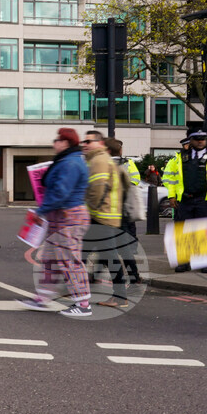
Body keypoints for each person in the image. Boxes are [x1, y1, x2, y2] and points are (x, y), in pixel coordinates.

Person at [18, 128, 91, 316]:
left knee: (69, 260)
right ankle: (42, 298)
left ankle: (83, 304)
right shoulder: (68, 161)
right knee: (49, 259)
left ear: (66, 142)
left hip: (69, 217)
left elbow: (60, 192)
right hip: (61, 217)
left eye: (57, 140)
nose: (54, 143)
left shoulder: (70, 163)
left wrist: (41, 211)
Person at [162, 129, 207, 272]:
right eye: (197, 139)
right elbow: (173, 180)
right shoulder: (180, 157)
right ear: (190, 140)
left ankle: (204, 262)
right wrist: (172, 196)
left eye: (203, 139)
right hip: (185, 199)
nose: (200, 142)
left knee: (204, 230)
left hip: (204, 199)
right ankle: (184, 261)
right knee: (183, 230)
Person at [81, 130, 126, 306]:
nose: (84, 144)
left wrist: (87, 210)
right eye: (83, 142)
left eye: (88, 141)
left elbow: (98, 189)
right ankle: (76, 289)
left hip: (101, 216)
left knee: (109, 257)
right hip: (102, 215)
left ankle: (120, 296)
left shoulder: (99, 160)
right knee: (83, 253)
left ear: (100, 143)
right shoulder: (96, 159)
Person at [105, 137, 143, 293]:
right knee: (118, 248)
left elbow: (134, 180)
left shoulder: (106, 164)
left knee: (109, 247)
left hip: (113, 211)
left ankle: (131, 277)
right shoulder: (127, 163)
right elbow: (135, 180)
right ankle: (134, 277)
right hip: (121, 211)